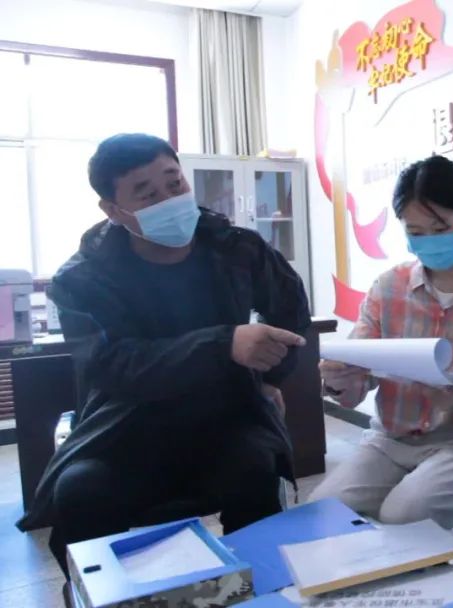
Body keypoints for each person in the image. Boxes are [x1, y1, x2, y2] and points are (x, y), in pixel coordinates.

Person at [16, 134, 312, 576]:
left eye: (175, 184)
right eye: (148, 194)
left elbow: (291, 311)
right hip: (125, 430)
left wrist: (270, 379)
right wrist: (224, 343)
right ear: (113, 210)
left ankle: (262, 587)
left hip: (226, 418)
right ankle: (104, 596)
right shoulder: (82, 280)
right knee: (80, 491)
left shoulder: (235, 247)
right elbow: (115, 366)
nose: (170, 200)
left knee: (256, 467)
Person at [312, 155, 453, 529]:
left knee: (402, 517)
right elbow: (360, 372)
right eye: (415, 232)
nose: (429, 241)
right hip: (390, 440)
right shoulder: (388, 288)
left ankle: (425, 566)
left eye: (440, 228)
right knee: (321, 513)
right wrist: (338, 379)